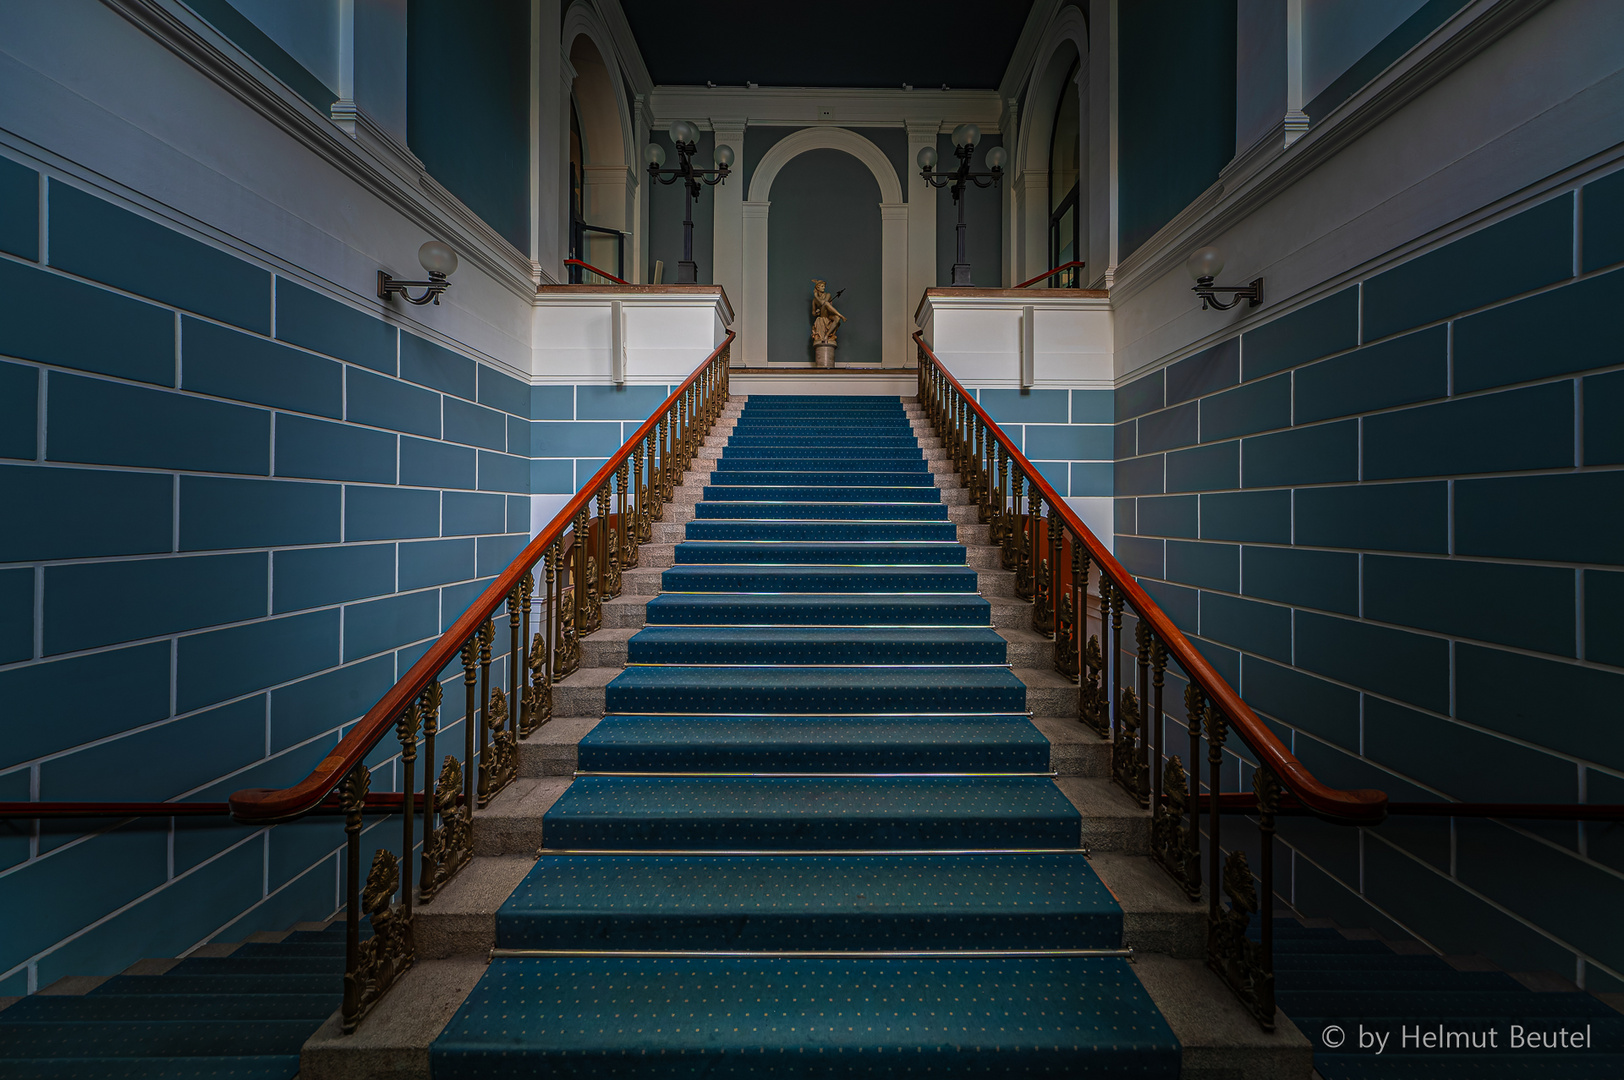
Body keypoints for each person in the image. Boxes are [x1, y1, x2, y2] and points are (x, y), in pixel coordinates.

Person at [810, 279, 846, 344]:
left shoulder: (828, 295)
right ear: (818, 287)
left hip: (828, 314)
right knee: (826, 304)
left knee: (837, 318)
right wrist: (816, 312)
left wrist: (816, 296)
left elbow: (823, 302)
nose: (824, 287)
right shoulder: (814, 300)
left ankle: (827, 335)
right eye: (822, 286)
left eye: (824, 286)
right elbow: (813, 312)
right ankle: (841, 315)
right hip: (822, 315)